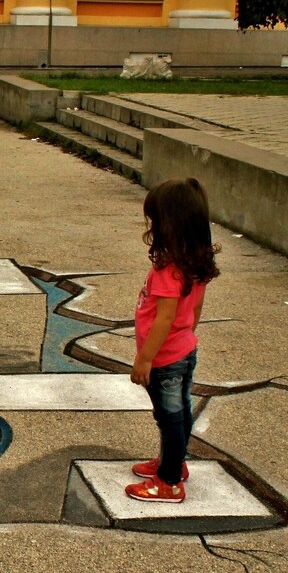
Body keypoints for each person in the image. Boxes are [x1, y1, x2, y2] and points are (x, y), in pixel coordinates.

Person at [124, 178, 220, 504]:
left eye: (155, 220)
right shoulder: (197, 262)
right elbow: (194, 309)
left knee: (169, 417)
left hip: (165, 359)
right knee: (179, 412)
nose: (152, 226)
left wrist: (145, 359)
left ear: (171, 224)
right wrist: (187, 335)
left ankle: (169, 481)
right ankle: (174, 463)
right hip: (184, 351)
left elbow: (164, 318)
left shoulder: (169, 271)